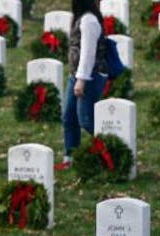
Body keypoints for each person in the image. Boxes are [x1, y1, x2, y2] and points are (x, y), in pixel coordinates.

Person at [57, 0, 110, 170]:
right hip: (76, 76)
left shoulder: (89, 20)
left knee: (86, 119)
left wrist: (81, 80)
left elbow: (88, 53)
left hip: (90, 77)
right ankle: (70, 156)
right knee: (68, 117)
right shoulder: (80, 18)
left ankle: (111, 147)